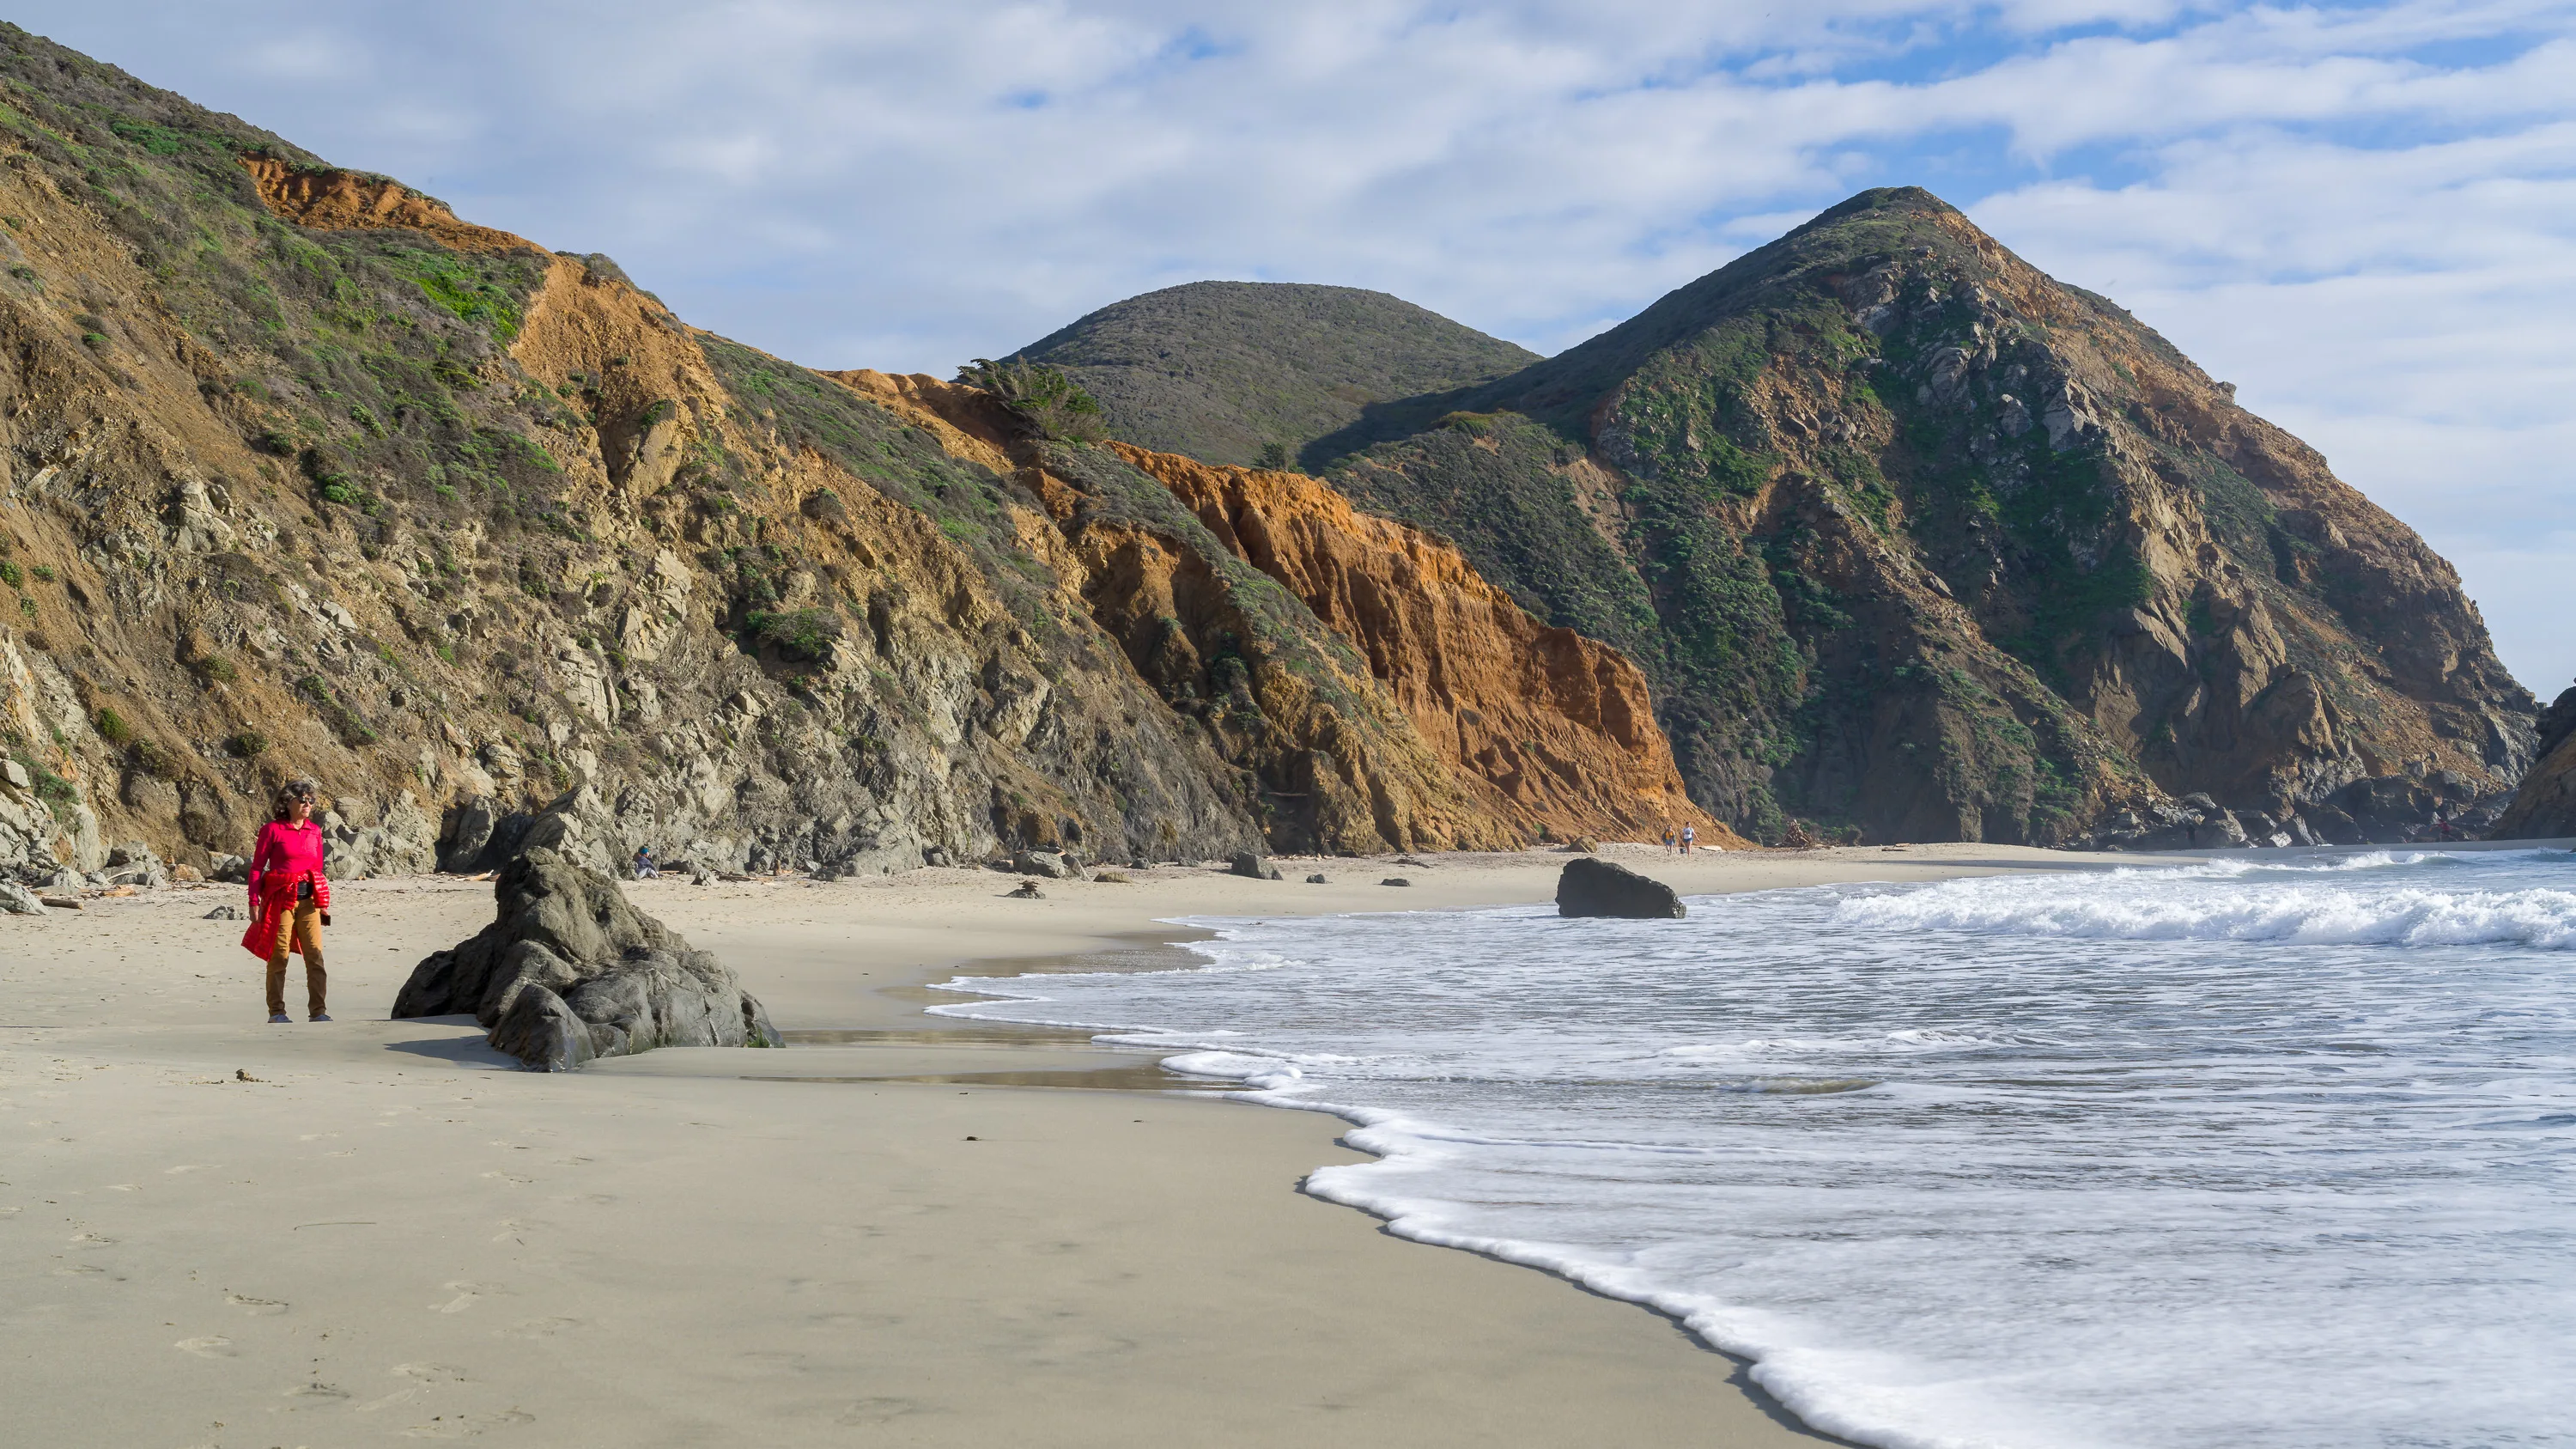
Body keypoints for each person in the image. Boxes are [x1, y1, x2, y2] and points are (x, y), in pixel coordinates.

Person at [240, 780, 331, 1024]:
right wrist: (253, 901)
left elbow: (318, 868)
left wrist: (323, 901)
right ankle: (277, 1012)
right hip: (281, 898)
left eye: (311, 800)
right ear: (287, 802)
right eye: (302, 800)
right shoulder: (272, 830)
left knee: (315, 955)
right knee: (279, 955)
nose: (308, 804)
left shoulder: (314, 830)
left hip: (309, 899)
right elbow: (258, 868)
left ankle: (319, 1011)